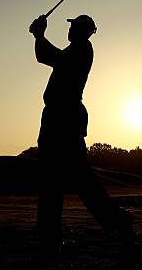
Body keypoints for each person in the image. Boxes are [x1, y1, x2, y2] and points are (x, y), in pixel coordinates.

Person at [29, 14, 134, 254]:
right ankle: (49, 235)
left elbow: (50, 57)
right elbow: (44, 56)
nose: (70, 29)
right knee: (52, 179)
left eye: (75, 26)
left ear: (84, 31)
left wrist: (39, 35)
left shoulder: (82, 50)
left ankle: (117, 221)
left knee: (79, 179)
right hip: (57, 118)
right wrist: (39, 37)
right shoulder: (74, 50)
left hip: (64, 119)